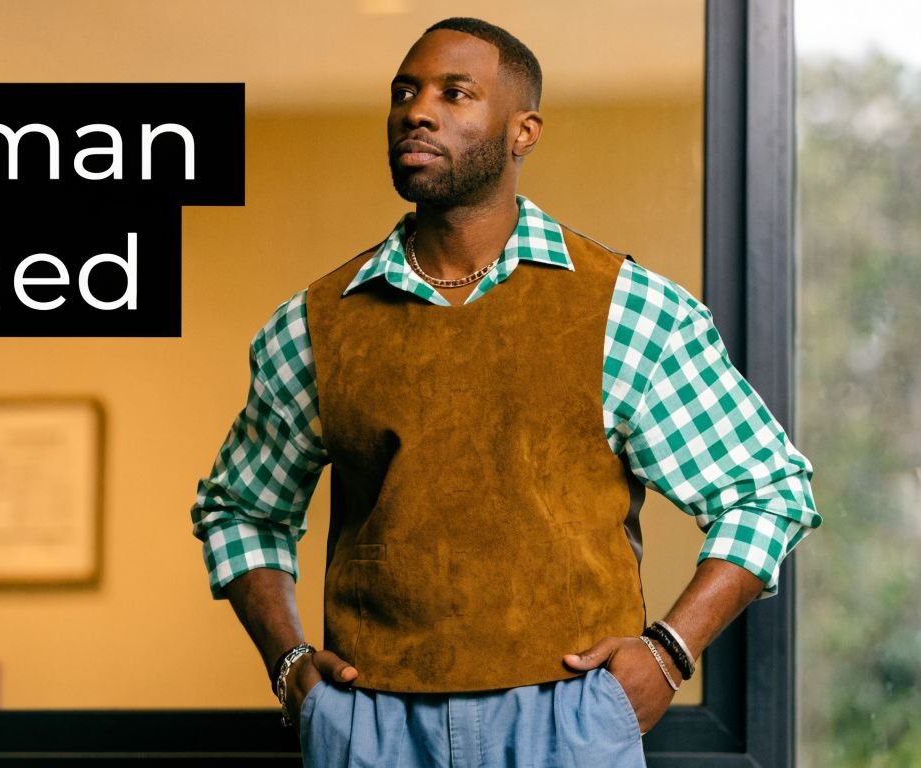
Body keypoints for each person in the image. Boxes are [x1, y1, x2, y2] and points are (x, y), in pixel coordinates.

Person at [190, 17, 819, 767]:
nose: (418, 112)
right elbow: (240, 510)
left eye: (454, 94)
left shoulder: (627, 308)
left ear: (524, 132)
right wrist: (290, 663)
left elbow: (768, 491)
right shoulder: (315, 325)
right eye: (405, 93)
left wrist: (669, 652)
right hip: (370, 723)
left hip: (568, 720)